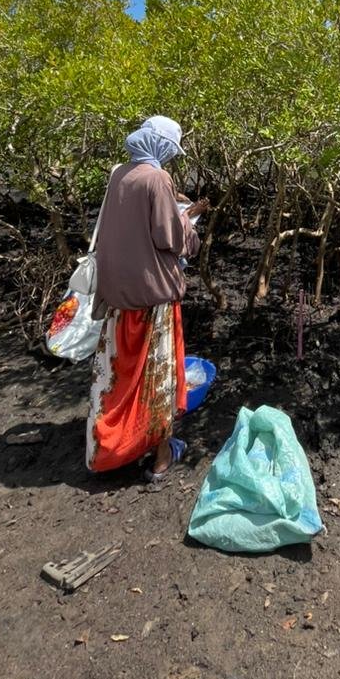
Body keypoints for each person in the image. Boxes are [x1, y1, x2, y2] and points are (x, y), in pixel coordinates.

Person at [85, 115, 208, 481]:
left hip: (119, 299)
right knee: (159, 379)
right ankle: (161, 457)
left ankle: (111, 447)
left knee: (121, 377)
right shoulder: (157, 178)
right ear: (160, 145)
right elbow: (172, 237)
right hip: (153, 299)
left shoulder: (119, 174)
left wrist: (174, 204)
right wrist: (191, 225)